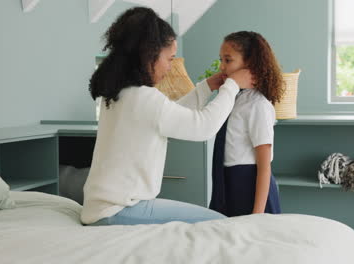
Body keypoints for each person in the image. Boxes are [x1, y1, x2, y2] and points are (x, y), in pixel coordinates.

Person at [81, 7, 255, 226]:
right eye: (170, 58)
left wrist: (205, 88)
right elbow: (203, 127)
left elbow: (167, 115)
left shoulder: (121, 93)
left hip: (101, 209)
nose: (170, 67)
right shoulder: (143, 97)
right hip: (118, 211)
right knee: (218, 223)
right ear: (150, 55)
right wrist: (231, 86)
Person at [209, 31, 284, 217]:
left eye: (228, 60)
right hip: (228, 183)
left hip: (249, 187)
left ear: (249, 63)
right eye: (221, 60)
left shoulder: (257, 105)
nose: (222, 66)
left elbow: (264, 166)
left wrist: (257, 214)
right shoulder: (233, 99)